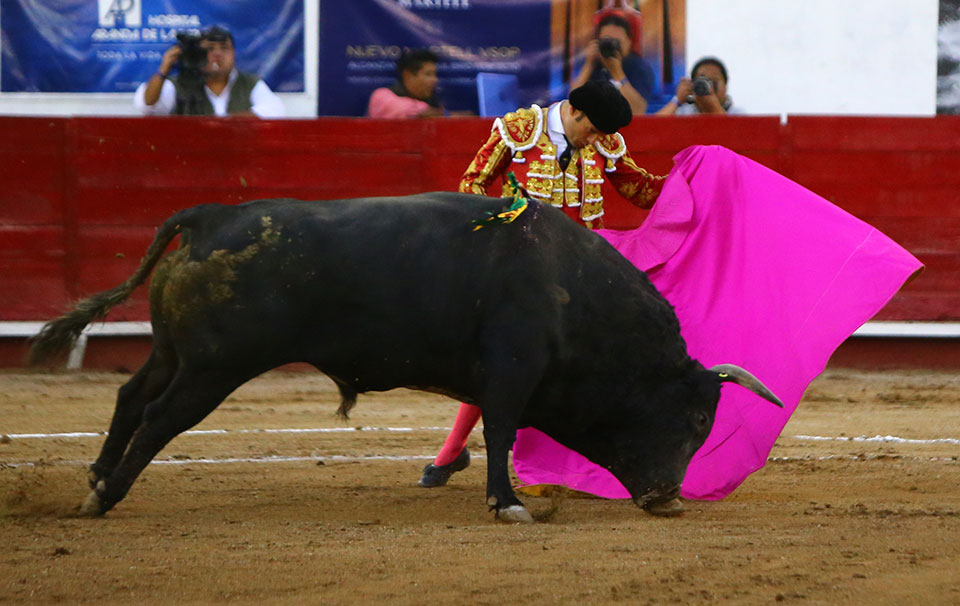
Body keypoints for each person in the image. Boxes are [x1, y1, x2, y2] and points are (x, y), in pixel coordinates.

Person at [418, 80, 666, 488]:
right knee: (501, 359)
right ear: (575, 112)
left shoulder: (602, 141)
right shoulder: (520, 131)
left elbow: (639, 190)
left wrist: (694, 183)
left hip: (582, 273)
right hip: (521, 272)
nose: (598, 140)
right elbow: (473, 185)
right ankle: (453, 450)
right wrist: (493, 238)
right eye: (593, 130)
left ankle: (582, 467)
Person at [134, 25, 285, 118]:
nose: (217, 54)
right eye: (210, 48)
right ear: (197, 53)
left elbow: (275, 111)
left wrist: (221, 123)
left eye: (224, 48)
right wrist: (163, 70)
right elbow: (146, 105)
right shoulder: (180, 82)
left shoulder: (249, 82)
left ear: (234, 53)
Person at [569, 14, 655, 115]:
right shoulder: (593, 64)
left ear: (629, 42)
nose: (612, 46)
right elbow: (573, 104)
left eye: (617, 42)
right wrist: (588, 65)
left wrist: (617, 73)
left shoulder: (639, 68)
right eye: (607, 41)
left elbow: (637, 111)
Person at [367, 49, 446, 119]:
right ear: (408, 75)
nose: (435, 80)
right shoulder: (381, 95)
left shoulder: (432, 101)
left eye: (435, 74)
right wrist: (439, 113)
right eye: (428, 74)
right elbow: (404, 111)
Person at [656, 56, 742, 116]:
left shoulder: (738, 114)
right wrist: (677, 100)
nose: (709, 86)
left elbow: (735, 135)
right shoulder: (685, 112)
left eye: (714, 82)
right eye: (702, 80)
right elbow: (653, 127)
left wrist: (714, 108)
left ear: (725, 86)